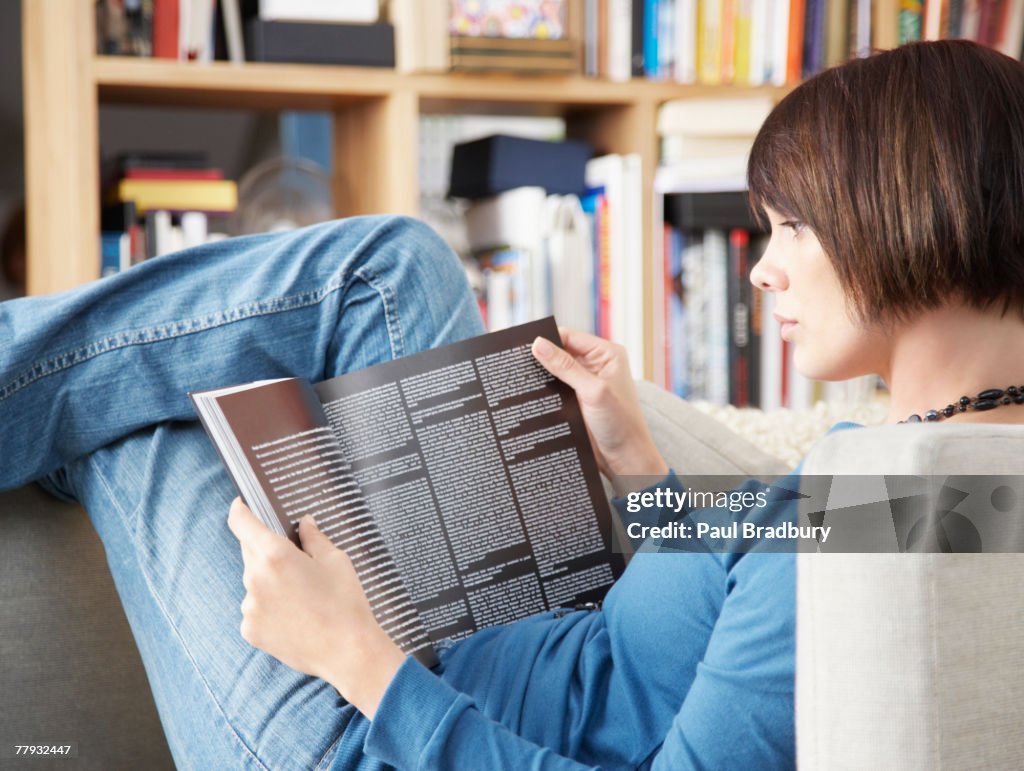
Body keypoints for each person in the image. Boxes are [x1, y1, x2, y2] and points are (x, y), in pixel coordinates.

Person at [3, 38, 1024, 769]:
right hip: (487, 647)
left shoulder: (893, 531)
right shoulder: (934, 466)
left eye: (791, 229)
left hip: (390, 729)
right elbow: (735, 576)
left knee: (151, 428)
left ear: (912, 213)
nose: (761, 273)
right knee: (387, 268)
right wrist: (637, 470)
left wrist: (354, 658)